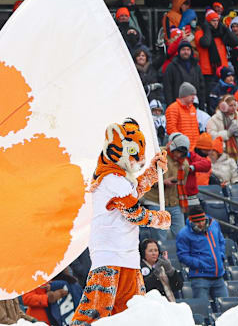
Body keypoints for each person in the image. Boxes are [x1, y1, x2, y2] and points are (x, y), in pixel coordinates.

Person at [70, 119, 170, 325]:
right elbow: (133, 212)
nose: (138, 160)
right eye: (135, 153)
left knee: (131, 313)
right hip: (110, 255)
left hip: (128, 256)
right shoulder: (110, 178)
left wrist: (152, 171)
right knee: (95, 311)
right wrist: (159, 219)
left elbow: (134, 192)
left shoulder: (121, 179)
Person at [142, 133, 207, 240]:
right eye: (177, 151)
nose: (178, 155)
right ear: (173, 147)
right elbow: (145, 179)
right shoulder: (158, 155)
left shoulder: (184, 164)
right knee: (159, 236)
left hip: (175, 202)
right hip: (155, 200)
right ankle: (161, 255)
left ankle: (179, 255)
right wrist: (163, 182)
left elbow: (183, 184)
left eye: (181, 153)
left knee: (181, 234)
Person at [175, 206, 227, 299]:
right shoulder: (184, 234)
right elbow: (182, 255)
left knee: (227, 310)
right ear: (191, 221)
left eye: (202, 220)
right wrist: (199, 264)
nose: (201, 224)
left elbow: (221, 241)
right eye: (197, 222)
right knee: (202, 309)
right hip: (200, 278)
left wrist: (221, 256)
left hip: (219, 276)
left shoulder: (214, 225)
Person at [165, 83, 200, 152]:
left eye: (194, 95)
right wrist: (182, 143)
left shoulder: (192, 108)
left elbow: (196, 128)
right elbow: (171, 129)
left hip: (194, 148)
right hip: (181, 149)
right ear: (184, 95)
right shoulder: (173, 108)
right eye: (191, 95)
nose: (194, 97)